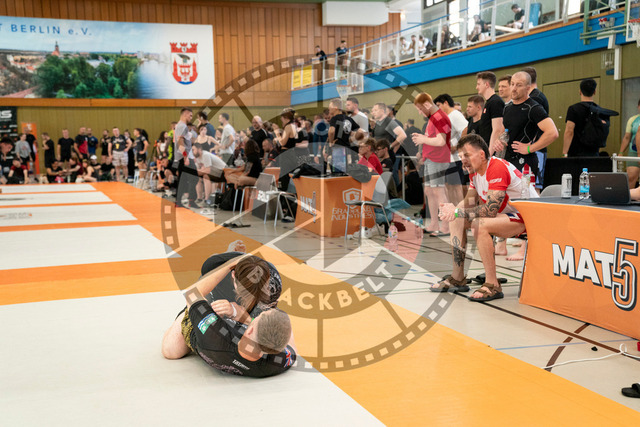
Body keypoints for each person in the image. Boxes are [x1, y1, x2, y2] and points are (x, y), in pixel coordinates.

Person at [435, 134, 538, 300]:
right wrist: (451, 210)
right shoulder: (474, 172)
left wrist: (456, 211)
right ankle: (458, 278)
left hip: (528, 218)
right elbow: (469, 202)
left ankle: (493, 284)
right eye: (461, 157)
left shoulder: (496, 167)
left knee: (479, 224)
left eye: (467, 155)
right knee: (457, 219)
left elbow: (490, 210)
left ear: (482, 154)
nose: (463, 161)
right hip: (506, 216)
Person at [161, 253, 296, 378]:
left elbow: (192, 294)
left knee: (171, 350)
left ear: (250, 330)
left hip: (211, 334)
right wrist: (246, 318)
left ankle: (195, 309)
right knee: (274, 324)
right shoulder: (275, 362)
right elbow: (290, 346)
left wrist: (229, 264)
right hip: (235, 337)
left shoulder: (215, 332)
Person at [500, 71, 559, 180]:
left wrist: (530, 148)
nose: (514, 88)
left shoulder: (534, 108)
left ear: (528, 88)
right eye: (512, 84)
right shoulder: (507, 108)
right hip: (508, 161)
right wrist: (499, 141)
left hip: (525, 162)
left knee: (525, 191)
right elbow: (504, 131)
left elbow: (553, 133)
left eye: (519, 85)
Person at [412, 92, 452, 237]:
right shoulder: (433, 118)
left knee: (439, 192)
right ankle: (434, 222)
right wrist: (423, 146)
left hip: (438, 159)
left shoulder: (440, 118)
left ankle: (446, 226)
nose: (419, 112)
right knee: (429, 191)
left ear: (427, 105)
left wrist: (423, 139)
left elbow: (441, 141)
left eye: (420, 108)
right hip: (431, 159)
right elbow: (432, 138)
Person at [434, 94, 469, 206]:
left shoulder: (455, 115)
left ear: (445, 103)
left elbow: (466, 129)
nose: (438, 109)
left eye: (439, 105)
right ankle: (453, 210)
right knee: (449, 187)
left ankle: (460, 211)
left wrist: (458, 146)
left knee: (456, 187)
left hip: (455, 159)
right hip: (447, 158)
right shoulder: (447, 116)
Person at [475, 71, 505, 155]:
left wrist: (489, 153)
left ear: (486, 84)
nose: (476, 87)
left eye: (478, 84)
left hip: (493, 151)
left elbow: (497, 130)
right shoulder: (489, 102)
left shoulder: (495, 102)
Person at [174, 107, 197, 208]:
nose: (191, 117)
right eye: (190, 115)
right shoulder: (182, 126)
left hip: (184, 156)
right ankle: (191, 200)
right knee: (194, 178)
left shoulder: (182, 126)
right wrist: (185, 157)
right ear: (185, 114)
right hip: (184, 157)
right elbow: (180, 142)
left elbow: (187, 141)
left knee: (183, 180)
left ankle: (178, 201)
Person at [619, 98, 640, 190]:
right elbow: (627, 137)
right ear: (638, 107)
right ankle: (628, 196)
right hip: (634, 152)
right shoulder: (633, 119)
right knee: (631, 177)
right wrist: (621, 153)